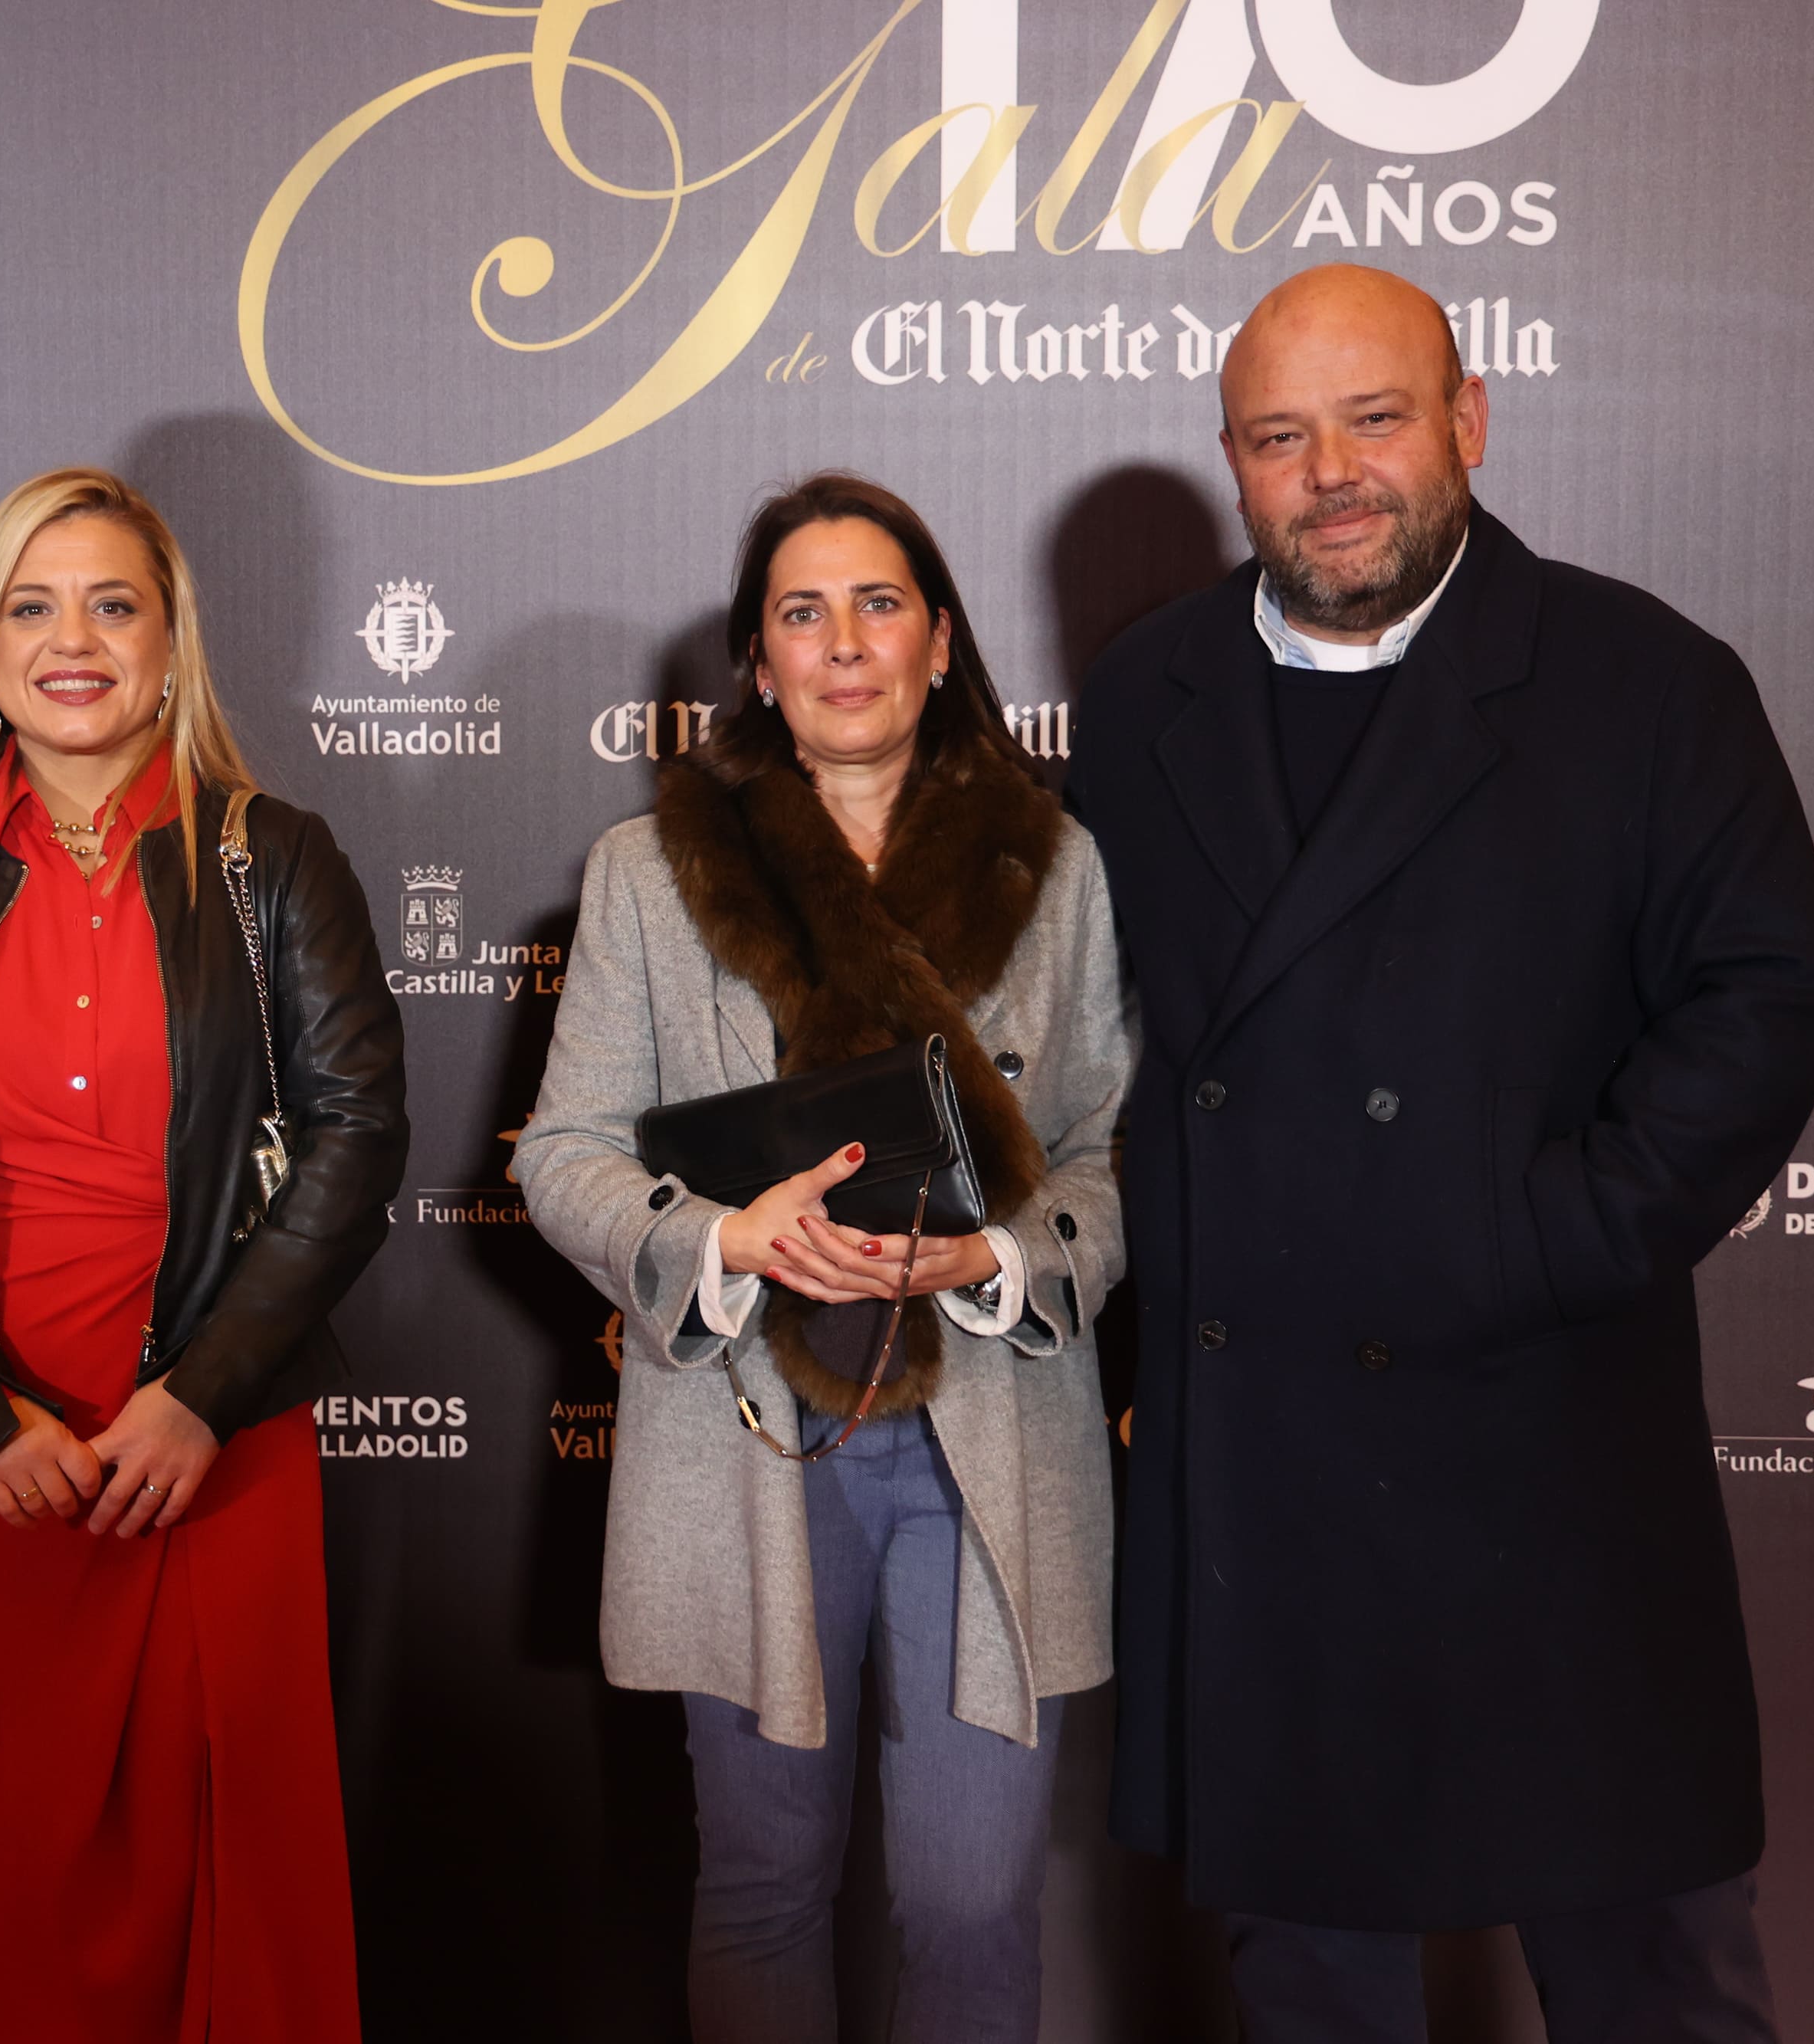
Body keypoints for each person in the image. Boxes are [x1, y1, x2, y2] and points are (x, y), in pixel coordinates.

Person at [1068, 263, 1814, 2042]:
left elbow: (1764, 993)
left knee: (1654, 1972)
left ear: (1467, 422)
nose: (1328, 472)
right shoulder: (1143, 696)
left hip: (1549, 1429)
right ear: (1230, 464)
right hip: (1260, 1461)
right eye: (1279, 436)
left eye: (1372, 419)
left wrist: (1544, 1236)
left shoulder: (1640, 679)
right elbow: (1097, 1035)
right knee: (1313, 1982)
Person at [517, 473, 1132, 2044]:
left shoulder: (1053, 867)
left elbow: (1111, 1148)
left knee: (969, 1893)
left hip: (981, 1433)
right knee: (762, 1880)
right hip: (744, 1435)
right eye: (802, 610)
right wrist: (729, 1232)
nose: (841, 642)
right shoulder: (646, 874)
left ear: (938, 642)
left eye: (877, 605)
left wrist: (995, 1253)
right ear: (756, 659)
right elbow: (563, 1152)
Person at [0, 466, 405, 2041]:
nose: (72, 640)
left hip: (214, 1440)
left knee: (228, 1892)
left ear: (168, 640)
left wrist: (202, 1394)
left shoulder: (273, 858)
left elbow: (355, 1137)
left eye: (112, 603)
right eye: (31, 603)